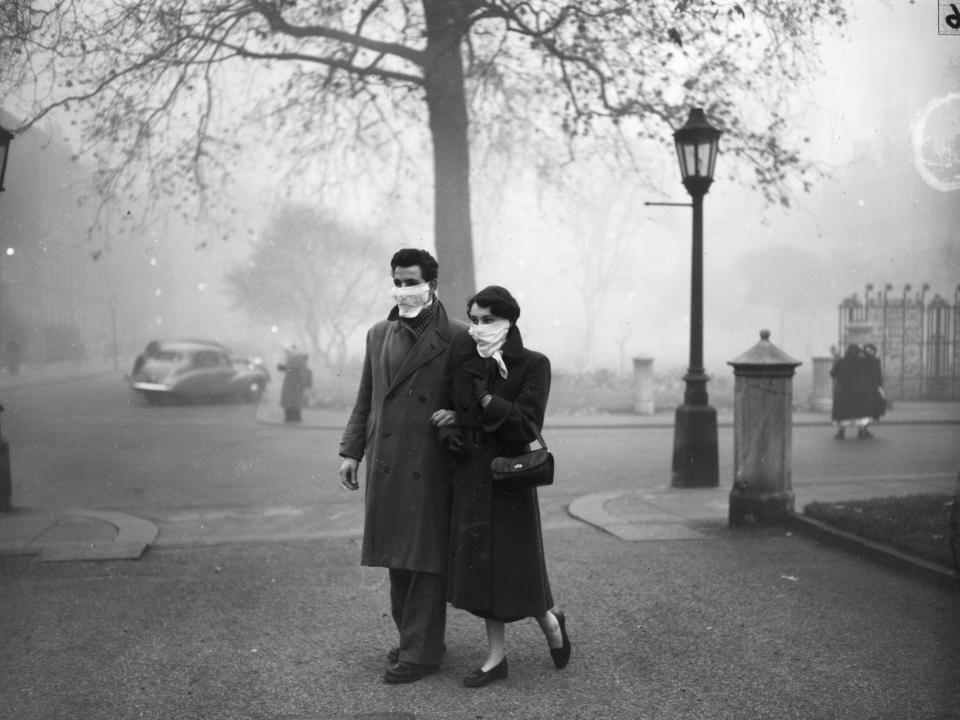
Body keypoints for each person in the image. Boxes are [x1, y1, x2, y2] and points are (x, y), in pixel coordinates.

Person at [338, 248, 470, 685]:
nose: (404, 289)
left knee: (425, 558)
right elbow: (366, 397)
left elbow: (471, 400)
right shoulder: (379, 334)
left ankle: (421, 652)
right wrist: (351, 451)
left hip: (431, 462)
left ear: (432, 285)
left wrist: (459, 417)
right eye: (398, 281)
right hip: (388, 461)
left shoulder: (459, 336)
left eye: (412, 281)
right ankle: (417, 640)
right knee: (396, 556)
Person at [432, 285, 571, 688]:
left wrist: (483, 402)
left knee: (518, 566)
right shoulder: (465, 363)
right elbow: (448, 413)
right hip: (472, 478)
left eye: (488, 320)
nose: (478, 329)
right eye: (473, 320)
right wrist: (453, 428)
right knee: (482, 570)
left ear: (509, 321)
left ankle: (550, 621)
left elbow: (526, 425)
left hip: (509, 476)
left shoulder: (533, 364)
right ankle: (496, 658)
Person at [830, 343, 878, 439]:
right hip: (860, 391)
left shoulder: (841, 362)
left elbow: (833, 374)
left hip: (844, 391)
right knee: (861, 412)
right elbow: (872, 367)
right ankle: (861, 431)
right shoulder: (863, 362)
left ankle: (841, 432)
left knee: (842, 413)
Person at [277, 346, 312, 422]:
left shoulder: (295, 360)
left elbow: (300, 373)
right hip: (293, 386)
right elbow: (295, 371)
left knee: (291, 403)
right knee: (293, 403)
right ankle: (293, 418)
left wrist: (300, 384)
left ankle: (291, 418)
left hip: (293, 386)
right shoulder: (296, 360)